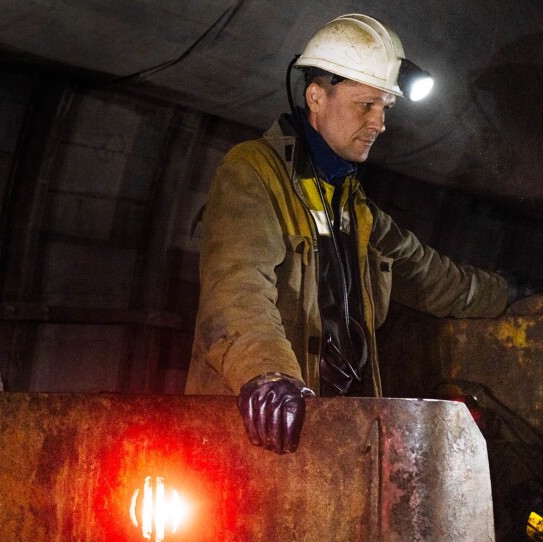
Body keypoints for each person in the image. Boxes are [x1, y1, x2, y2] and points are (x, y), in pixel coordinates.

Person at [185, 14, 514, 454]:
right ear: (316, 97)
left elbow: (435, 278)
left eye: (386, 108)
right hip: (262, 431)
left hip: (332, 428)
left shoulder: (353, 207)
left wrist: (508, 293)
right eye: (366, 105)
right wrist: (267, 375)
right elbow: (237, 290)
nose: (380, 123)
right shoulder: (251, 172)